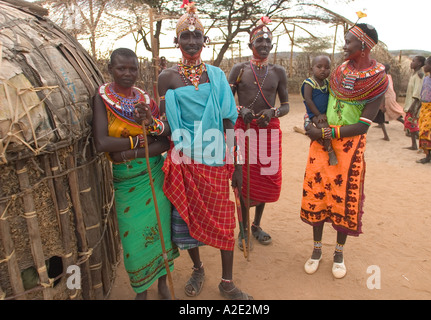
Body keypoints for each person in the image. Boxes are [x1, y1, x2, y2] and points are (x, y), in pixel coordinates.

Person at [135, 3, 252, 300]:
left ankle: (227, 282)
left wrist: (236, 165)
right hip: (184, 161)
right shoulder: (167, 78)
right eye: (185, 36)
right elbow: (164, 124)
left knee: (225, 221)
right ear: (177, 42)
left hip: (215, 160)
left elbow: (228, 121)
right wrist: (150, 123)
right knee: (187, 222)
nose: (191, 42)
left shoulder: (216, 75)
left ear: (204, 40)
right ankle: (198, 267)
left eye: (196, 36)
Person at [300, 23, 388, 279]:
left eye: (348, 41)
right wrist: (311, 123)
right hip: (320, 143)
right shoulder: (338, 71)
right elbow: (319, 104)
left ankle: (338, 252)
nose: (344, 45)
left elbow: (363, 125)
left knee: (342, 198)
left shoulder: (378, 79)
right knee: (317, 194)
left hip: (349, 147)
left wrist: (329, 133)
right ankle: (317, 250)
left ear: (363, 46)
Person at [92, 48, 179, 300]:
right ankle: (141, 290)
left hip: (153, 174)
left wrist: (146, 127)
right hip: (126, 181)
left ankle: (163, 282)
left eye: (132, 68)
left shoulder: (144, 99)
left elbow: (165, 139)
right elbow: (102, 143)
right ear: (110, 69)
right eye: (121, 68)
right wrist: (141, 142)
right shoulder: (102, 99)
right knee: (133, 239)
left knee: (162, 232)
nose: (128, 73)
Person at [228, 16, 289, 250]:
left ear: (272, 46)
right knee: (243, 180)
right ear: (250, 45)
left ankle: (256, 225)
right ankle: (242, 231)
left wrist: (272, 113)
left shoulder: (278, 72)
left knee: (265, 179)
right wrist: (239, 109)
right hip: (243, 131)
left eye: (267, 42)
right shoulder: (239, 69)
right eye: (258, 42)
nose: (263, 46)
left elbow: (286, 106)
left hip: (268, 132)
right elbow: (226, 102)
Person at [301, 55, 338, 165]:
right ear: (311, 68)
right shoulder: (309, 83)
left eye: (327, 67)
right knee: (324, 129)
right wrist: (318, 115)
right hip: (315, 114)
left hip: (325, 114)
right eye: (319, 67)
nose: (323, 70)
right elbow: (308, 100)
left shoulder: (326, 83)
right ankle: (330, 151)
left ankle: (320, 141)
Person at [403, 56, 425, 150]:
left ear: (419, 63)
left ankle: (424, 142)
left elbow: (418, 92)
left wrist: (413, 106)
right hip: (410, 104)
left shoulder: (419, 75)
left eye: (413, 61)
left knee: (412, 125)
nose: (411, 63)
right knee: (411, 125)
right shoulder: (414, 74)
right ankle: (415, 144)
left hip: (414, 105)